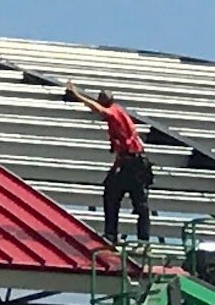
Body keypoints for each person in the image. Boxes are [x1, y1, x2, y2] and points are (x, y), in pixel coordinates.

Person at [65, 81, 151, 245]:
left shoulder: (113, 112)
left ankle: (134, 238)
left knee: (134, 201)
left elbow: (99, 110)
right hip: (130, 162)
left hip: (133, 164)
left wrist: (77, 96)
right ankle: (118, 234)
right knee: (117, 195)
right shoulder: (119, 110)